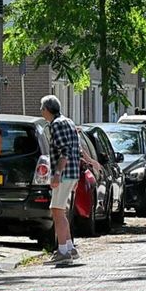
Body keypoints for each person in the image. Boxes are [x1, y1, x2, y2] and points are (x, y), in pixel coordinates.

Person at [40, 94, 82, 264]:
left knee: (57, 211)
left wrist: (57, 173)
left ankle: (63, 250)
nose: (41, 112)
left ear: (47, 109)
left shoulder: (56, 125)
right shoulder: (69, 121)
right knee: (60, 210)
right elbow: (76, 148)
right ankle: (70, 248)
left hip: (63, 174)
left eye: (42, 108)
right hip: (71, 172)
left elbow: (64, 151)